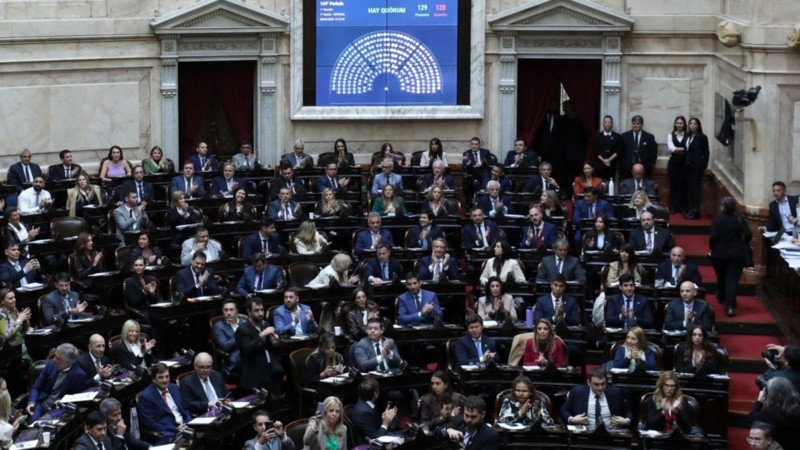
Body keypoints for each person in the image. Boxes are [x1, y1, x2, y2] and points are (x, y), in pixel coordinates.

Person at [710, 196, 753, 317]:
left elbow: (713, 238)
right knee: (732, 280)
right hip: (736, 254)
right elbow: (749, 234)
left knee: (721, 275)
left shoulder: (717, 220)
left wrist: (713, 248)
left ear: (723, 207)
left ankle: (722, 295)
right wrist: (744, 243)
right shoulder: (739, 219)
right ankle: (729, 306)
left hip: (719, 254)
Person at [26, 343, 89, 421]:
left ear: (68, 362)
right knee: (33, 423)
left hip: (60, 408)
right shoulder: (50, 365)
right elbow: (36, 387)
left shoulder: (79, 375)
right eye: (55, 356)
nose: (54, 359)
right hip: (42, 404)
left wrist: (63, 401)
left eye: (58, 358)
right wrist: (31, 403)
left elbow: (77, 400)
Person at [235, 297, 284, 394]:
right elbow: (246, 350)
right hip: (255, 373)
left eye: (262, 310)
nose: (260, 313)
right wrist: (262, 335)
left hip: (271, 370)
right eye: (256, 310)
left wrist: (276, 344)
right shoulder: (242, 330)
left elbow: (272, 347)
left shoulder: (265, 324)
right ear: (249, 312)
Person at [560, 367, 632, 430]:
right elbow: (564, 410)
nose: (600, 388)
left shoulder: (615, 393)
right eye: (596, 384)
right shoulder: (578, 392)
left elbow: (628, 411)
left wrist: (626, 421)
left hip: (611, 434)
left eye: (603, 384)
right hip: (585, 435)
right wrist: (572, 419)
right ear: (589, 382)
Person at [138, 363, 192, 444]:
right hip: (168, 431)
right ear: (153, 379)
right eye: (160, 377)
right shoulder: (145, 397)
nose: (165, 380)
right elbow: (150, 424)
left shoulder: (174, 387)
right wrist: (176, 428)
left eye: (167, 376)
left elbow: (185, 409)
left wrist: (188, 422)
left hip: (186, 424)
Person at [748, 377, 800, 450]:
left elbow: (752, 420)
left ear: (771, 395)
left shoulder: (771, 413)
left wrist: (759, 402)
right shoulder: (796, 410)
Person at [436, 395, 500, 450]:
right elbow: (437, 432)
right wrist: (448, 430)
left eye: (473, 417)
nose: (469, 419)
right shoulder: (459, 421)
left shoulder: (491, 436)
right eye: (466, 415)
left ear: (483, 414)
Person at [683, 117, 710, 219]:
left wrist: (703, 166)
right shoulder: (688, 136)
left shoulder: (702, 137)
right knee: (690, 188)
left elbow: (706, 153)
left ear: (698, 126)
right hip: (688, 166)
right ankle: (691, 209)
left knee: (696, 189)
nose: (692, 126)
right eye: (690, 124)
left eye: (694, 124)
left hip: (697, 168)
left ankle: (696, 210)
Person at [212, 299, 246, 378]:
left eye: (231, 310)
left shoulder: (244, 321)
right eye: (226, 310)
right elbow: (225, 346)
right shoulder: (219, 326)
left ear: (237, 311)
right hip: (235, 358)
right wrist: (240, 335)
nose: (228, 313)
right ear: (222, 311)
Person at [125, 256, 160, 322]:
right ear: (133, 267)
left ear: (144, 266)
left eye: (141, 265)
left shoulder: (149, 279)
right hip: (140, 311)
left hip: (151, 308)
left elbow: (155, 301)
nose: (138, 267)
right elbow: (133, 303)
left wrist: (152, 293)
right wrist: (144, 291)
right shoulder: (130, 281)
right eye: (136, 265)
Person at [665, 116, 689, 213]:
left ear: (684, 124)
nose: (679, 125)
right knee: (673, 185)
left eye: (681, 123)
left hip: (685, 164)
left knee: (683, 185)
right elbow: (672, 148)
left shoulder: (688, 135)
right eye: (677, 123)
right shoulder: (670, 135)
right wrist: (683, 150)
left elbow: (689, 148)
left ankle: (683, 207)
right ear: (675, 124)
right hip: (673, 164)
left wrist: (678, 150)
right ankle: (673, 207)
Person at [593, 115, 622, 180]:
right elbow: (595, 150)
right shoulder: (597, 136)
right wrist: (603, 160)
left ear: (612, 123)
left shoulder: (617, 136)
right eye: (605, 122)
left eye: (609, 122)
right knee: (599, 184)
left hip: (612, 165)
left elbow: (618, 150)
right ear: (603, 123)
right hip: (599, 165)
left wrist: (609, 160)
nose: (607, 124)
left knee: (610, 184)